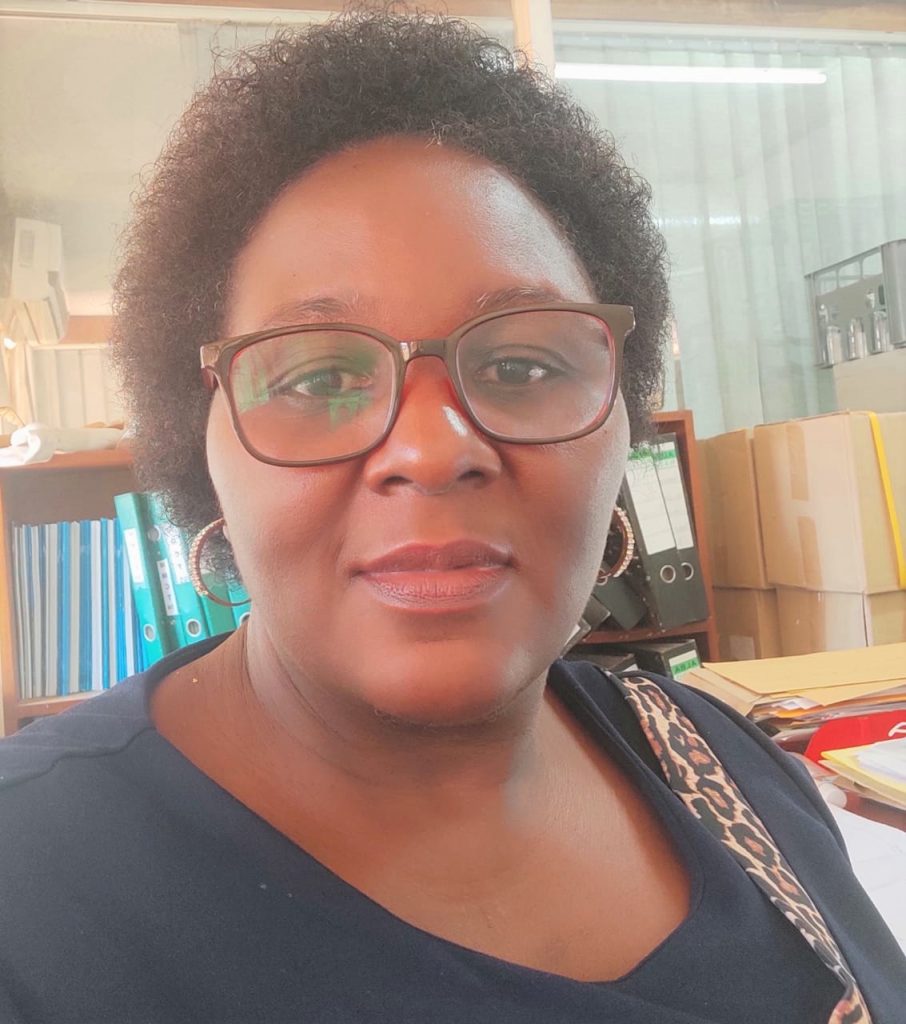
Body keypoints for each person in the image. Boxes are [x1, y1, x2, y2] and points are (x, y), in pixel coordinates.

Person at [0, 10, 903, 1023]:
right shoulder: (30, 895)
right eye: (319, 377)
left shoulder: (729, 763)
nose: (433, 450)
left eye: (521, 364)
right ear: (199, 443)